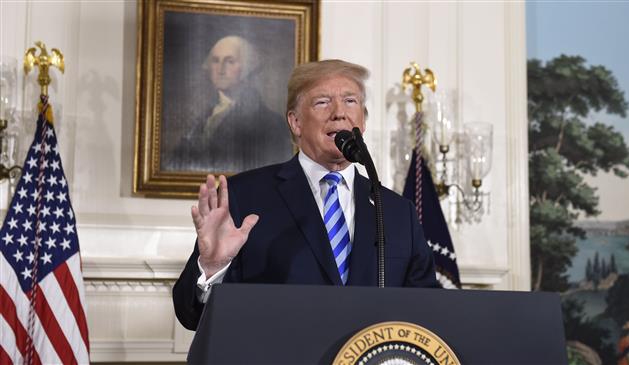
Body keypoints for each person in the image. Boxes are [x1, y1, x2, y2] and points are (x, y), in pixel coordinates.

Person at [173, 59, 441, 331]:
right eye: (322, 102)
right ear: (296, 122)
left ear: (363, 119)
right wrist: (212, 266)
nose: (339, 113)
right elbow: (190, 315)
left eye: (350, 101)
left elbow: (427, 313)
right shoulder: (243, 197)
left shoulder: (397, 212)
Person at [170, 35, 293, 172]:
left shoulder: (271, 123)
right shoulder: (204, 117)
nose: (221, 69)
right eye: (215, 61)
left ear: (247, 67)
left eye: (230, 61)